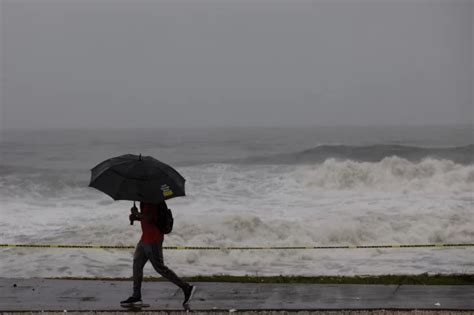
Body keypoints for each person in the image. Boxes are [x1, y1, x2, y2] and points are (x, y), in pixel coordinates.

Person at [120, 200, 196, 308]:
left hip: (154, 239)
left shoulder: (151, 200)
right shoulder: (143, 200)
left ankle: (187, 288)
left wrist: (137, 214)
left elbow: (150, 217)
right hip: (144, 239)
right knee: (137, 264)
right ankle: (136, 296)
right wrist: (135, 217)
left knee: (160, 268)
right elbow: (145, 218)